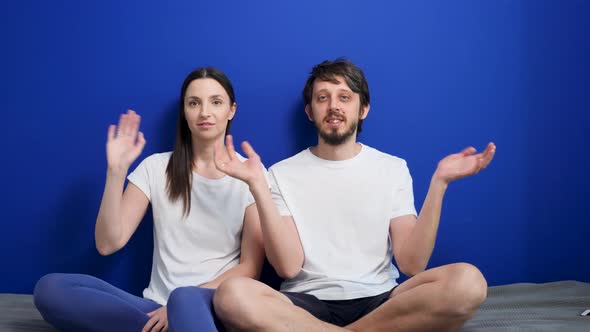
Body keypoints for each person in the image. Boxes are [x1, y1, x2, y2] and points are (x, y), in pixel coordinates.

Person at [211, 59, 496, 332]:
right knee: (232, 296)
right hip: (307, 303)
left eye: (344, 97)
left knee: (469, 282)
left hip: (382, 300)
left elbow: (412, 263)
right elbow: (288, 266)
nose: (333, 106)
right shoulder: (279, 174)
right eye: (322, 98)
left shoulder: (393, 169)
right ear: (310, 112)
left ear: (363, 109)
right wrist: (258, 187)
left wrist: (439, 183)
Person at [34, 67, 265, 332]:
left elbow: (250, 268)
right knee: (50, 289)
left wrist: (181, 304)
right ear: (184, 111)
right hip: (154, 308)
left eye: (216, 102)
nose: (204, 112)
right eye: (194, 103)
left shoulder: (251, 174)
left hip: (211, 306)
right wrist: (116, 172)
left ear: (231, 110)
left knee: (185, 300)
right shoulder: (155, 167)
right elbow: (108, 243)